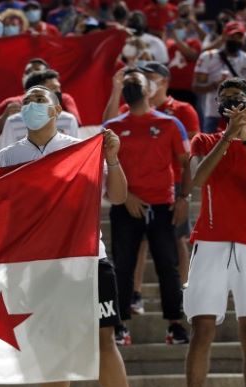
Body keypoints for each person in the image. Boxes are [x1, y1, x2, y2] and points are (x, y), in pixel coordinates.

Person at [0, 85, 131, 387]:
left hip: (88, 259)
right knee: (53, 345)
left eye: (39, 100)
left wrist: (113, 159)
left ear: (56, 111)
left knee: (103, 339)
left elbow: (118, 198)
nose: (31, 105)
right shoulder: (5, 157)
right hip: (38, 266)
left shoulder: (82, 150)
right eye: (26, 100)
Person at [184, 77, 246, 387]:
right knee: (202, 329)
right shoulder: (202, 140)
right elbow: (197, 180)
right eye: (225, 98)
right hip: (211, 242)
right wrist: (228, 137)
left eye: (237, 98)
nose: (231, 103)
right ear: (218, 106)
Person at [103, 69, 191, 346]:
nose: (131, 85)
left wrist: (184, 198)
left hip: (162, 204)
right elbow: (105, 164)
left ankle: (175, 324)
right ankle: (120, 327)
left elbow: (186, 162)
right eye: (127, 82)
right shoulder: (115, 126)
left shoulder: (169, 123)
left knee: (168, 265)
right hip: (126, 205)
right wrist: (125, 195)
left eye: (135, 81)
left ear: (148, 89)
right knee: (123, 266)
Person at [0, 59, 81, 145]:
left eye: (36, 71)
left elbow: (72, 126)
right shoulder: (11, 105)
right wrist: (4, 118)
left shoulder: (64, 102)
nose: (31, 74)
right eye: (27, 72)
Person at [192, 21, 246, 133]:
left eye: (239, 37)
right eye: (232, 36)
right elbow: (196, 87)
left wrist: (236, 90)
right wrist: (215, 85)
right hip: (214, 114)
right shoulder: (208, 57)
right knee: (210, 148)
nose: (235, 40)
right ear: (224, 36)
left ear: (243, 39)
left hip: (240, 115)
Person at [166, 12, 202, 106]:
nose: (178, 30)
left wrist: (177, 40)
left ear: (186, 29)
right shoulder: (169, 45)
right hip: (171, 89)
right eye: (176, 27)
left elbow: (192, 56)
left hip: (187, 90)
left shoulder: (194, 42)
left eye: (180, 27)